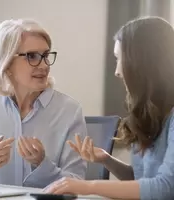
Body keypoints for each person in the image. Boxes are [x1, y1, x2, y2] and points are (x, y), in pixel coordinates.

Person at [45, 16, 174, 200]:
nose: (117, 71)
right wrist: (107, 159)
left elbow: (165, 189)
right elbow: (141, 181)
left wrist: (88, 186)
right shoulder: (149, 113)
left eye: (119, 58)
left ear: (141, 63)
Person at [0, 18, 87, 188]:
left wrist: (42, 165)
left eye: (46, 56)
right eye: (32, 56)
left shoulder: (70, 110)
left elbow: (77, 183)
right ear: (7, 63)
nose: (44, 65)